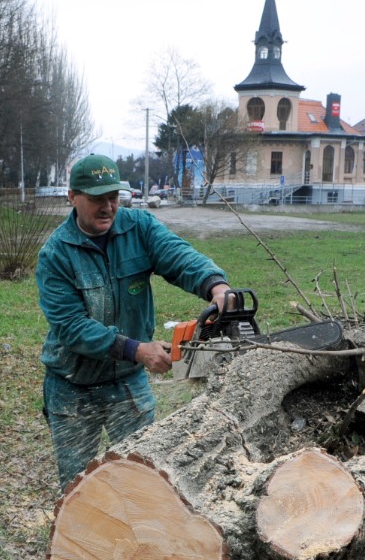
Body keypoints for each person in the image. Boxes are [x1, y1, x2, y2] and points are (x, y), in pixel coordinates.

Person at [37, 154, 236, 489]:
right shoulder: (56, 254)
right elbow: (71, 327)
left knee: (142, 481)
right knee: (78, 488)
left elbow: (177, 254)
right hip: (72, 385)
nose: (107, 208)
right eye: (96, 199)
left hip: (127, 382)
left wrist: (216, 286)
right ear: (72, 197)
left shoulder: (139, 227)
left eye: (113, 198)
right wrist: (136, 350)